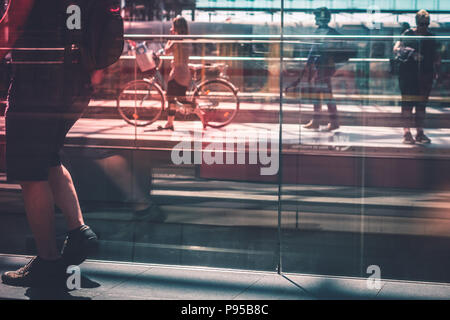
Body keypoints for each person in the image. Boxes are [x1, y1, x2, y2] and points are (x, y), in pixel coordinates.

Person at [1, 0, 98, 287]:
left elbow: (10, 27)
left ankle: (48, 261)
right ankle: (79, 232)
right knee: (47, 157)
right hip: (77, 83)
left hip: (37, 85)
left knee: (31, 173)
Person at [393, 9, 440, 144]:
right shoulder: (408, 34)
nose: (424, 27)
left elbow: (436, 54)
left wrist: (437, 65)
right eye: (421, 24)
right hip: (408, 74)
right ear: (417, 23)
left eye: (426, 24)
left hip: (425, 74)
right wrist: (412, 53)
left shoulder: (431, 37)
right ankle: (407, 132)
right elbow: (396, 48)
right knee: (407, 104)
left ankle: (419, 132)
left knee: (421, 105)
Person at [157, 15, 203, 131]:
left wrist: (171, 37)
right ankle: (169, 123)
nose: (171, 28)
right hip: (181, 72)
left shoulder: (177, 39)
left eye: (173, 26)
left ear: (176, 27)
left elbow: (167, 51)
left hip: (179, 74)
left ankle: (201, 114)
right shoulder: (185, 38)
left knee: (179, 99)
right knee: (172, 98)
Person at [302, 7, 340, 132]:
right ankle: (325, 121)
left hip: (324, 68)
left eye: (317, 17)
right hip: (323, 67)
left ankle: (325, 121)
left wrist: (308, 63)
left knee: (323, 94)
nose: (315, 19)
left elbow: (314, 50)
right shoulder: (325, 32)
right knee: (322, 94)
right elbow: (314, 50)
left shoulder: (325, 33)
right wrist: (309, 64)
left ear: (321, 18)